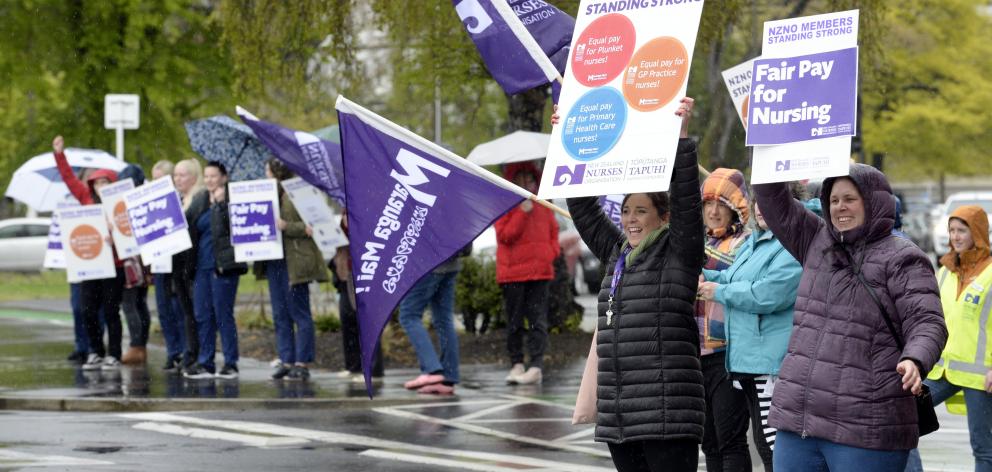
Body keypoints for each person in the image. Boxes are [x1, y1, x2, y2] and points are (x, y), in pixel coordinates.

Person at [754, 164, 948, 471]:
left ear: (873, 202)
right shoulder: (815, 241)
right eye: (833, 200)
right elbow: (771, 197)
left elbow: (927, 321)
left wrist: (915, 358)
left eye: (850, 198)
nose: (840, 207)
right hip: (799, 424)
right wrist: (768, 145)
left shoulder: (903, 257)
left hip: (866, 427)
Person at [561, 97, 705, 472]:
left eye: (641, 210)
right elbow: (583, 208)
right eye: (626, 210)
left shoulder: (680, 252)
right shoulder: (616, 252)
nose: (631, 219)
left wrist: (682, 143)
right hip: (620, 418)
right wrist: (567, 140)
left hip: (667, 417)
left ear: (664, 217)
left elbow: (688, 201)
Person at [698, 182, 807, 471]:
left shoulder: (793, 243)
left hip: (771, 363)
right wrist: (703, 275)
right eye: (759, 200)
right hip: (749, 361)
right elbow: (733, 279)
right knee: (765, 442)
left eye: (769, 200)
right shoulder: (758, 241)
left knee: (775, 449)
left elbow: (768, 293)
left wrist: (716, 292)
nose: (761, 207)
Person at [906, 205, 992, 472]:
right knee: (902, 423)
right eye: (951, 230)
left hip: (980, 375)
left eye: (961, 230)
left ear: (977, 232)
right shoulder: (944, 271)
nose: (955, 236)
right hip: (942, 368)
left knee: (984, 449)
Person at [696, 167, 753, 471]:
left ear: (736, 209)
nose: (714, 211)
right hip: (694, 353)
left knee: (731, 440)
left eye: (722, 204)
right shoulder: (693, 242)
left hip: (728, 353)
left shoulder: (747, 243)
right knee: (709, 442)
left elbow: (739, 280)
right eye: (708, 204)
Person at [52, 135, 126, 371]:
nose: (100, 186)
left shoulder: (119, 204)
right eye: (97, 182)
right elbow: (69, 178)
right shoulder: (85, 198)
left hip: (114, 265)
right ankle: (95, 351)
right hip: (92, 264)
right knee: (87, 309)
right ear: (92, 185)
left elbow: (129, 233)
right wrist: (59, 155)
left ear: (111, 184)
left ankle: (114, 354)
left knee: (112, 311)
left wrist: (114, 235)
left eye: (105, 182)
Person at [495, 161, 560, 385]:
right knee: (514, 322)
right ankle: (516, 363)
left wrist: (550, 253)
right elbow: (504, 235)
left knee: (537, 322)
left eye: (529, 178)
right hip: (513, 274)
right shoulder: (505, 202)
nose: (526, 183)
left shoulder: (543, 202)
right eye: (521, 178)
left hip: (540, 272)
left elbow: (554, 231)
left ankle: (536, 365)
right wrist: (521, 213)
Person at [182, 161, 247, 380]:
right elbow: (187, 222)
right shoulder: (200, 199)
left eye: (214, 176)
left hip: (224, 267)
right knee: (203, 315)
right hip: (201, 267)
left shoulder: (233, 199)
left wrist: (222, 206)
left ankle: (231, 363)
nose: (210, 180)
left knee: (223, 315)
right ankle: (205, 362)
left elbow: (238, 228)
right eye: (207, 176)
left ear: (224, 177)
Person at [265, 159, 327, 381]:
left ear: (276, 172)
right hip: (275, 261)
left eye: (268, 171)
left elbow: (314, 225)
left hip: (296, 261)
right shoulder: (267, 194)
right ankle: (287, 359)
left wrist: (286, 226)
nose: (266, 175)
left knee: (299, 313)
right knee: (280, 313)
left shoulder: (300, 192)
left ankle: (302, 361)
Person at [398, 242, 471, 395]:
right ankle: (448, 378)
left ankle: (431, 370)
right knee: (444, 320)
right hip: (451, 262)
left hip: (427, 262)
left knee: (409, 315)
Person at [332, 212, 385, 383]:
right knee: (348, 319)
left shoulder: (366, 207)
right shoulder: (344, 211)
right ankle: (353, 366)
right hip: (346, 272)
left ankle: (374, 370)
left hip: (365, 270)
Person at [150, 160, 187, 372]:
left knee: (177, 309)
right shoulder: (150, 203)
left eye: (161, 179)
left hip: (177, 263)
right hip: (159, 263)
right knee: (163, 310)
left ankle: (183, 350)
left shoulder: (180, 201)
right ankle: (172, 352)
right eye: (154, 179)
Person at [118, 162, 151, 365]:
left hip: (132, 260)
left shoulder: (124, 203)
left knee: (130, 303)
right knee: (139, 302)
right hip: (144, 259)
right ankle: (141, 345)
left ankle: (137, 346)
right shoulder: (145, 199)